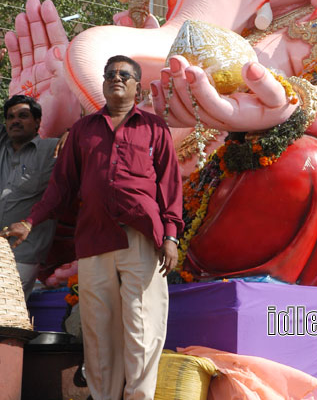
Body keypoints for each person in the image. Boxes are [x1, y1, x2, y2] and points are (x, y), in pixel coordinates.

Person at [5, 55, 183, 400]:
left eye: (124, 75)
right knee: (98, 330)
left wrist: (172, 235)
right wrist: (30, 221)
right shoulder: (83, 130)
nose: (116, 78)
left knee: (142, 326)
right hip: (94, 239)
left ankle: (138, 397)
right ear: (103, 83)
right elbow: (61, 186)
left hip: (142, 239)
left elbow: (170, 185)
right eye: (110, 74)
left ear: (137, 86)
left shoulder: (154, 127)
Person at [0, 94, 58, 299]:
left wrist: (72, 132)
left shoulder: (51, 149)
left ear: (37, 122)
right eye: (10, 116)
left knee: (5, 311)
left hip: (22, 251)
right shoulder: (2, 145)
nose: (15, 120)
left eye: (23, 116)